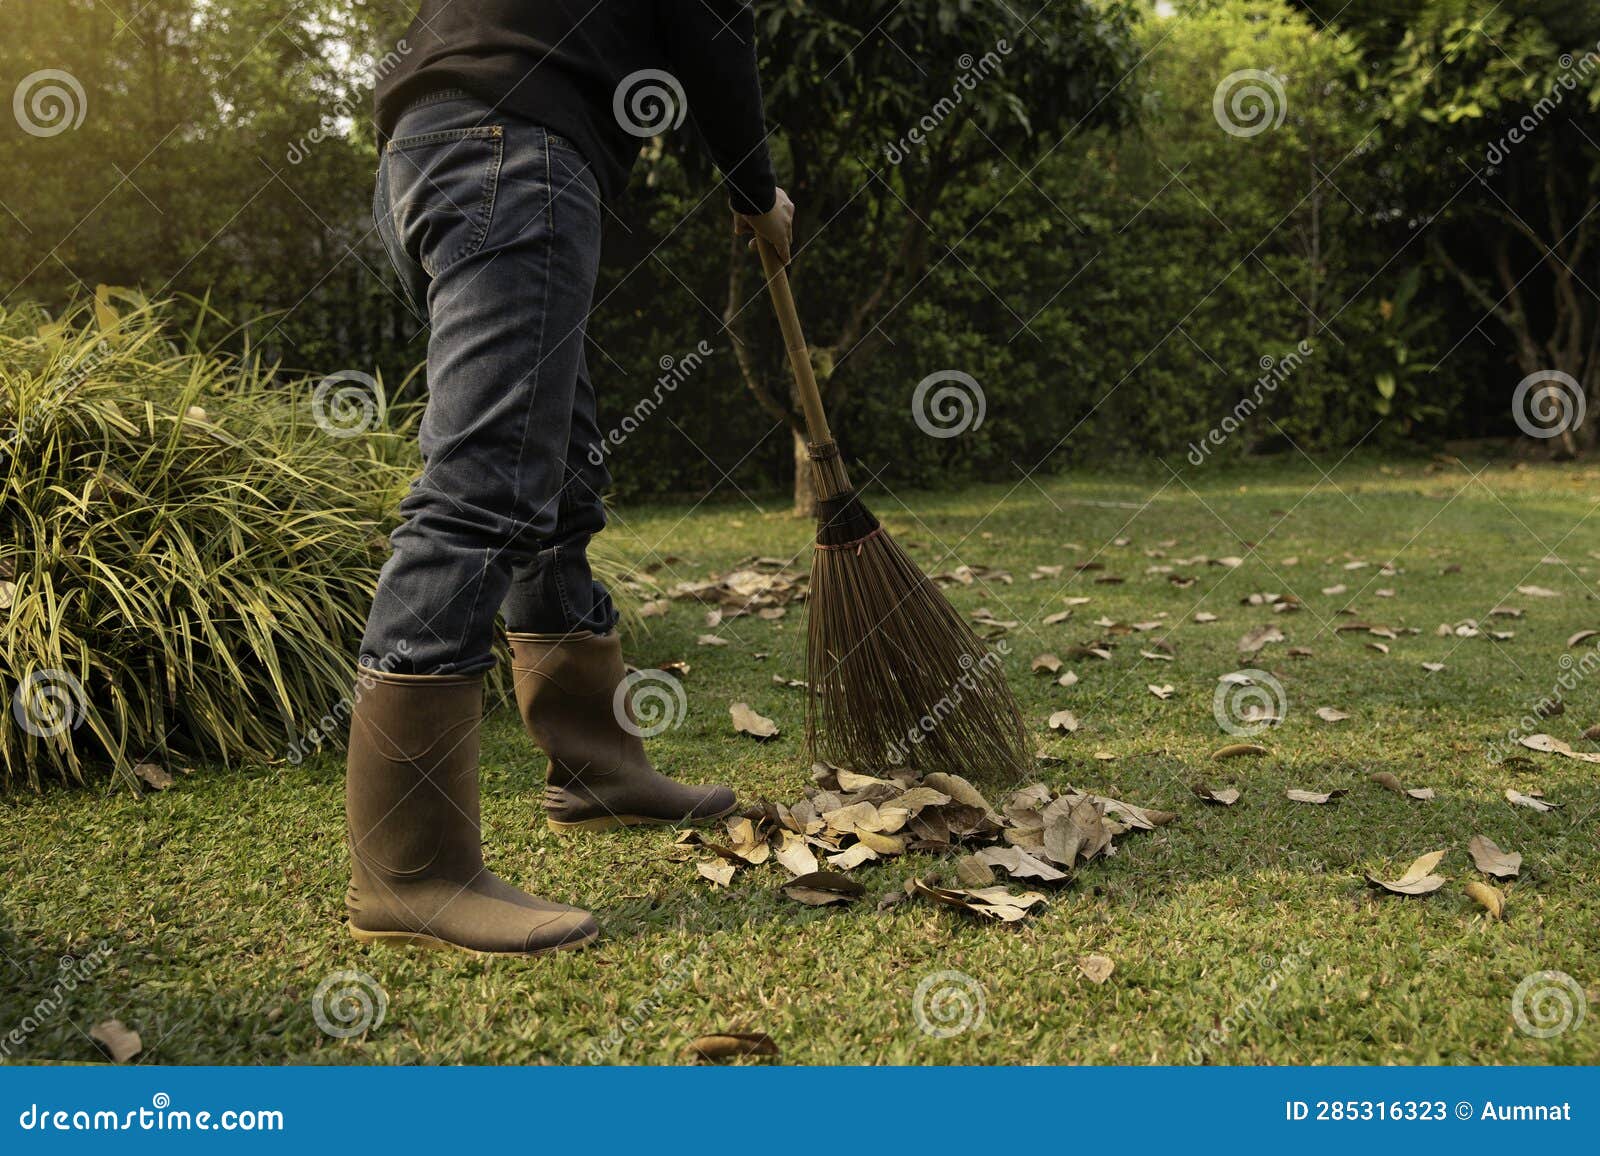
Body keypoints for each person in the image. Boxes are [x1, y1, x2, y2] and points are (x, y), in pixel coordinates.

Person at [344, 1, 796, 957]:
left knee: (553, 479)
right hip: (509, 146)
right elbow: (712, 27)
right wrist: (756, 188)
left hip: (434, 146)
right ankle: (410, 868)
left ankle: (595, 766)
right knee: (481, 487)